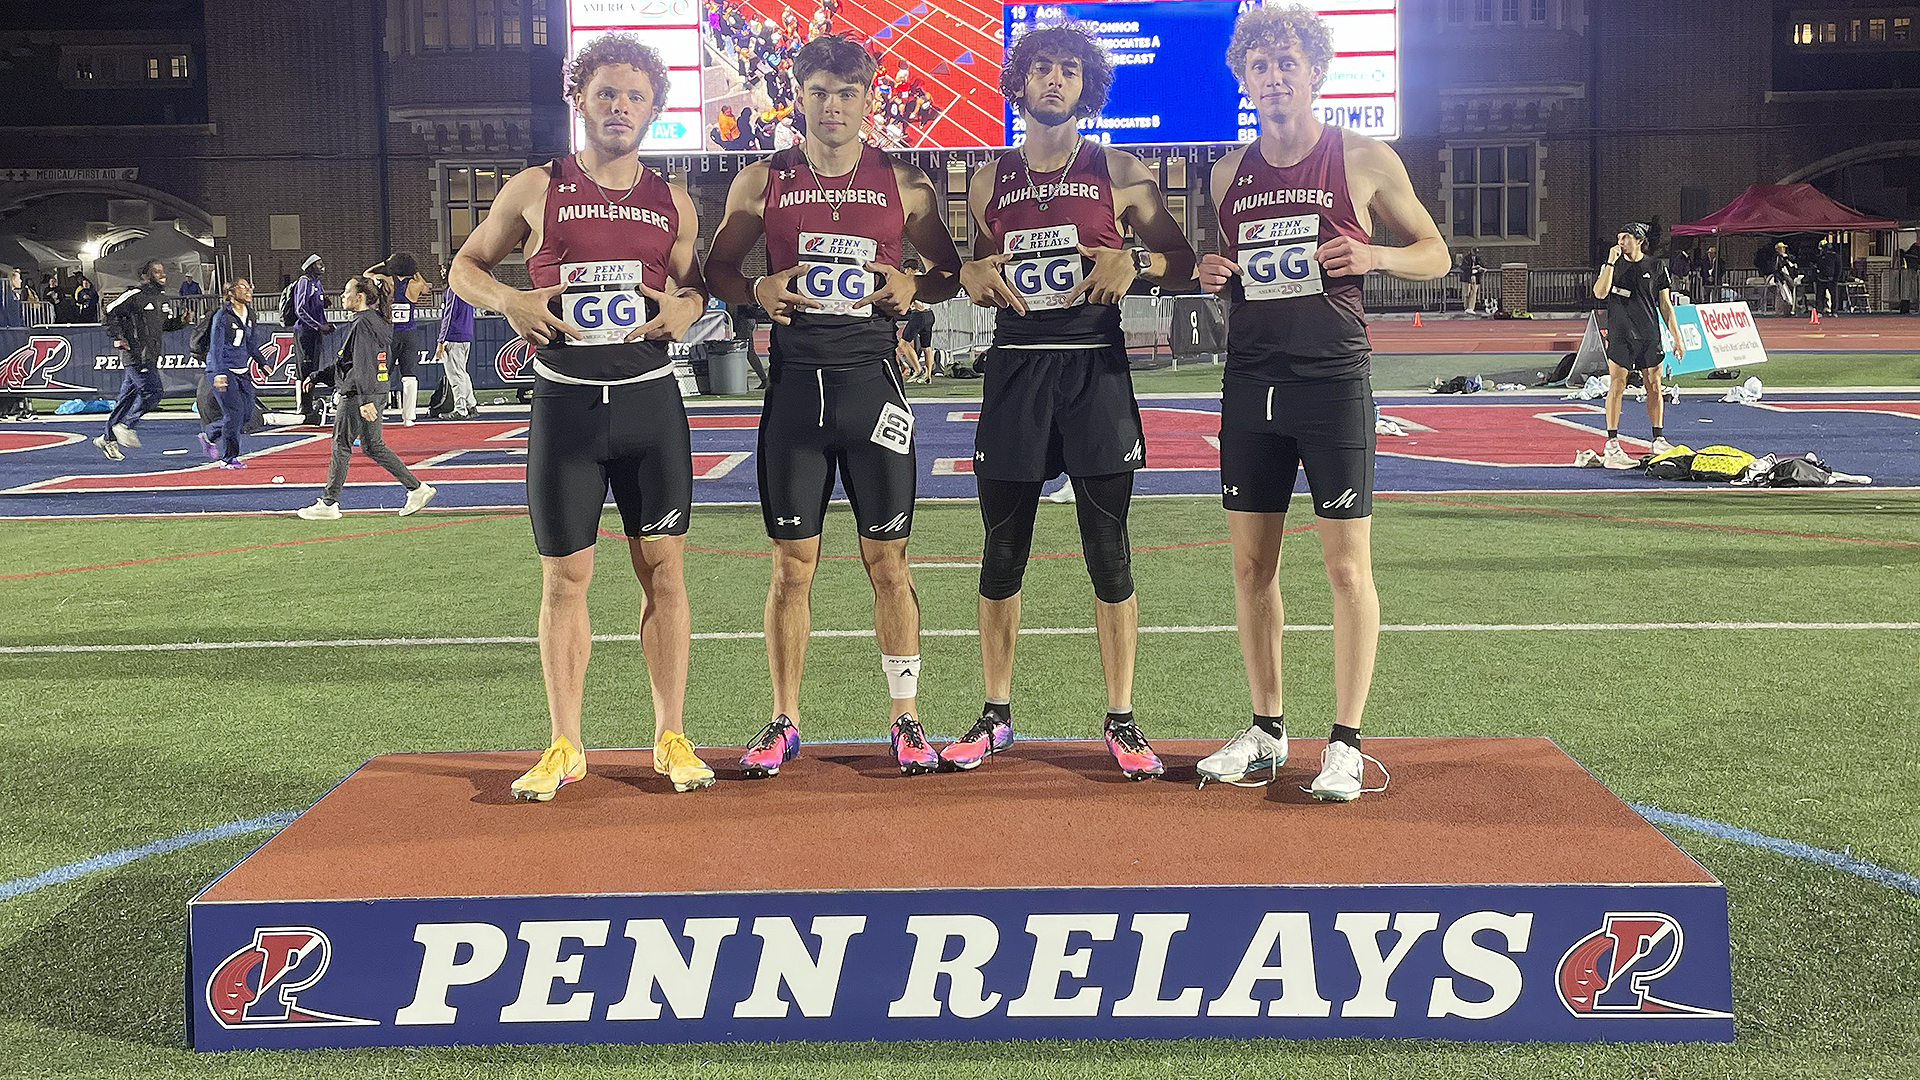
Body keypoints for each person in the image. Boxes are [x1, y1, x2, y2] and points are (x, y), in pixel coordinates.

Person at [449, 32, 715, 800]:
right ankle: (565, 743)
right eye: (606, 93)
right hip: (565, 406)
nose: (619, 106)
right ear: (580, 100)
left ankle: (671, 735)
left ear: (654, 110)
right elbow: (464, 267)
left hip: (649, 403)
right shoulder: (537, 187)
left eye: (635, 96)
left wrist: (686, 308)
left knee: (664, 571)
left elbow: (695, 289)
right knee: (566, 578)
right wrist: (510, 299)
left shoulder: (674, 201)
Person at [1194, 4, 1450, 802]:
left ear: (1314, 73)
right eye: (1260, 66)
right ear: (1244, 78)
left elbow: (1436, 254)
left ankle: (1345, 742)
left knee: (1345, 568)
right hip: (1250, 382)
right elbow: (1237, 268)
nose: (1274, 78)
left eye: (1287, 64)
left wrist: (1373, 255)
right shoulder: (1226, 174)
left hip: (1332, 381)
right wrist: (1214, 273)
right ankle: (1267, 731)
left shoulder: (1363, 156)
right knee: (1250, 566)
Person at [705, 33, 963, 779]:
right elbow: (718, 268)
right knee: (792, 567)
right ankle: (784, 719)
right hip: (794, 392)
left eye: (847, 94)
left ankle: (906, 718)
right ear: (798, 97)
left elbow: (946, 271)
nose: (832, 107)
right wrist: (755, 289)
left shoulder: (902, 181)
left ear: (868, 100)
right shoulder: (762, 180)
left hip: (872, 388)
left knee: (889, 562)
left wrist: (915, 285)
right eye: (818, 92)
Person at [949, 23, 1196, 780]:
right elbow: (977, 267)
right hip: (1016, 373)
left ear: (1087, 86)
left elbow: (1183, 260)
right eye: (1040, 69)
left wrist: (1136, 259)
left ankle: (1121, 719)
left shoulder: (1119, 170)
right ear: (1019, 82)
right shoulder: (988, 180)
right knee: (1002, 552)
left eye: (1068, 70)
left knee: (1108, 553)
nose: (1053, 80)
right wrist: (968, 273)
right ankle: (996, 715)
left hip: (1095, 374)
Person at [295, 274, 438, 519]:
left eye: (347, 291)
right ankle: (417, 488)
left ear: (359, 297)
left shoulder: (362, 323)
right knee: (373, 446)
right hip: (376, 389)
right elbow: (352, 362)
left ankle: (329, 503)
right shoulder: (377, 321)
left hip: (359, 394)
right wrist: (318, 376)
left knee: (341, 445)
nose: (342, 296)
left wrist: (364, 400)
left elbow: (362, 363)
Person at [1591, 221, 1685, 469]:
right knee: (1617, 385)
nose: (1621, 243)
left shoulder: (1656, 266)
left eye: (1626, 238)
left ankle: (1658, 438)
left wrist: (1676, 337)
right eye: (1619, 238)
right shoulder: (1612, 265)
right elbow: (1600, 293)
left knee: (1654, 385)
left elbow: (1665, 305)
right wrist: (1610, 263)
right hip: (1621, 334)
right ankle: (1612, 442)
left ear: (1640, 241)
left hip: (1648, 333)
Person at [95, 259, 187, 461]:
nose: (162, 274)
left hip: (150, 355)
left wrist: (181, 321)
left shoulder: (162, 298)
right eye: (156, 271)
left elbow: (164, 326)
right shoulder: (134, 294)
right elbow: (109, 312)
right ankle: (126, 425)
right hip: (135, 354)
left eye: (162, 271)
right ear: (145, 276)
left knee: (126, 399)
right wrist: (118, 336)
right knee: (153, 391)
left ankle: (107, 438)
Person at [200, 278, 266, 468]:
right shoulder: (222, 315)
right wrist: (219, 373)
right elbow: (216, 346)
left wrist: (262, 362)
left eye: (249, 287)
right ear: (231, 292)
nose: (248, 290)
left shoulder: (250, 314)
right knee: (234, 413)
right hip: (223, 369)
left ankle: (210, 433)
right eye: (243, 287)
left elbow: (250, 343)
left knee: (247, 414)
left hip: (241, 370)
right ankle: (229, 458)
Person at [368, 252, 429, 424]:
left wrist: (385, 263)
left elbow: (367, 274)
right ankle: (409, 417)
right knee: (409, 377)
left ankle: (378, 411)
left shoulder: (386, 281)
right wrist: (415, 270)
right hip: (409, 334)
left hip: (390, 334)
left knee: (383, 373)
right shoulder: (415, 284)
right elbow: (426, 287)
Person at [292, 254, 334, 425]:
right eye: (319, 264)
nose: (323, 266)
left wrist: (324, 303)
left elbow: (314, 305)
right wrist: (319, 326)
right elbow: (300, 309)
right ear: (310, 267)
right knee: (305, 368)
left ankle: (308, 406)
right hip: (305, 332)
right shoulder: (304, 281)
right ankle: (304, 407)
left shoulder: (317, 283)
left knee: (312, 368)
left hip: (314, 332)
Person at [433, 265, 480, 418]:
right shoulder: (466, 290)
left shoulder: (453, 291)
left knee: (455, 375)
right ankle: (470, 404)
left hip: (454, 336)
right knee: (462, 372)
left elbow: (449, 316)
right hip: (465, 335)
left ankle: (461, 409)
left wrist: (441, 340)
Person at [1813, 240, 1844, 315]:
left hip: (1826, 279)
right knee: (1830, 296)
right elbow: (1839, 268)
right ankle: (1832, 311)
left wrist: (1835, 278)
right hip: (1826, 278)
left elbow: (1838, 268)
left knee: (1823, 296)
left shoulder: (1824, 257)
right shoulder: (1834, 256)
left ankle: (1823, 310)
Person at [1769, 241, 1799, 316]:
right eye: (1782, 248)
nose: (1784, 249)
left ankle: (1787, 311)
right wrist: (1780, 279)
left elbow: (1793, 262)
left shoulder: (1786, 257)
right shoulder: (1777, 258)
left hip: (1788, 278)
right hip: (1781, 279)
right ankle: (1780, 312)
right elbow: (1776, 269)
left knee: (1788, 294)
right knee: (1782, 295)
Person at [1458, 247, 1483, 313]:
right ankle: (1466, 307)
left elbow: (1481, 265)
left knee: (1474, 292)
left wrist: (1481, 269)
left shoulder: (1478, 259)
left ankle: (1471, 308)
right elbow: (1463, 267)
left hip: (1475, 276)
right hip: (1467, 277)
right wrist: (1472, 267)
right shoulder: (1466, 258)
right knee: (1467, 293)